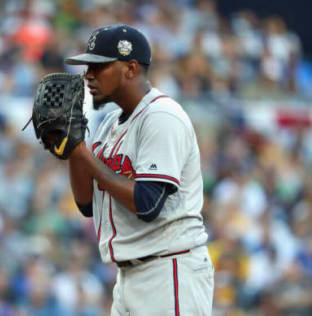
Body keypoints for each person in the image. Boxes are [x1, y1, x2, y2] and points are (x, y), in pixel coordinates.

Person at [64, 24, 214, 315]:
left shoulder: (161, 116)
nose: (88, 76)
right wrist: (72, 149)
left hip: (169, 270)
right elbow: (86, 204)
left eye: (99, 66)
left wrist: (83, 152)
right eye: (87, 67)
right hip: (130, 277)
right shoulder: (110, 124)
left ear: (130, 68)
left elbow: (148, 203)